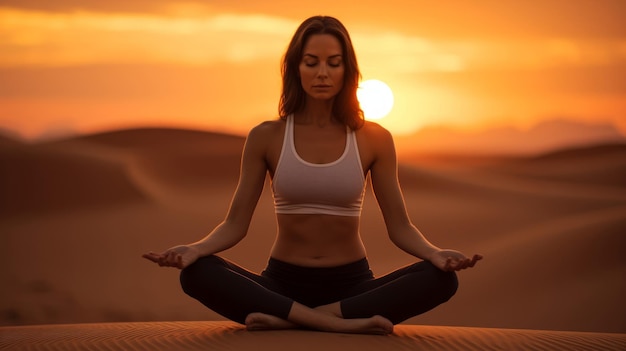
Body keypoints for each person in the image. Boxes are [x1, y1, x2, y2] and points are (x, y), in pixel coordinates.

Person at [143, 15, 482, 335]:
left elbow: (400, 227)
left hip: (352, 286)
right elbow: (235, 223)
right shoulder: (267, 136)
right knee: (197, 273)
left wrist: (434, 253)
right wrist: (196, 249)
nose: (323, 73)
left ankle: (298, 319)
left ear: (347, 70)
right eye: (312, 62)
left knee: (441, 280)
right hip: (281, 283)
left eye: (333, 63)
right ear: (295, 68)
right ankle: (336, 323)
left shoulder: (374, 139)